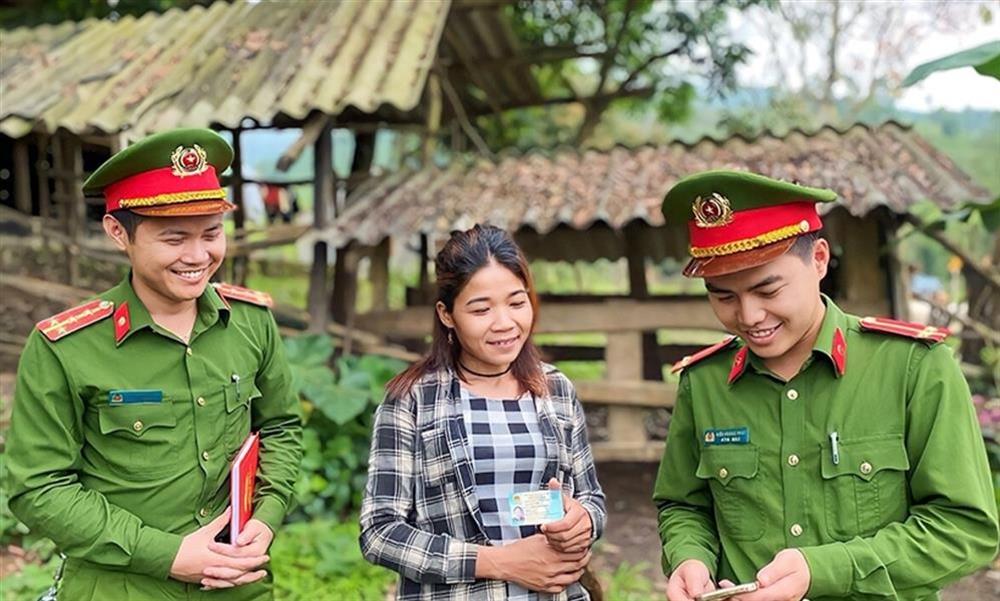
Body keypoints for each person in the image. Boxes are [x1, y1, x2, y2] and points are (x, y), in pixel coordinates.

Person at [652, 170, 998, 601]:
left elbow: (965, 528)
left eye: (768, 289)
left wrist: (826, 570)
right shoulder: (704, 382)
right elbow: (684, 505)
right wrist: (689, 557)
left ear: (818, 259)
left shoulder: (913, 368)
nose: (749, 315)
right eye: (723, 296)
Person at [5, 128, 303, 600]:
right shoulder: (66, 346)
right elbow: (37, 487)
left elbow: (282, 428)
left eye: (211, 233)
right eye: (174, 238)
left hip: (237, 586)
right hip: (120, 588)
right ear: (118, 232)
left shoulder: (251, 323)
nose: (198, 256)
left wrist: (265, 519)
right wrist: (166, 554)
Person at [359, 224, 606, 600]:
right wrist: (498, 562)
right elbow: (380, 532)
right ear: (446, 314)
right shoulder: (412, 400)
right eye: (481, 309)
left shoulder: (556, 390)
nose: (504, 323)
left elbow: (592, 499)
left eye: (517, 302)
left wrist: (581, 521)